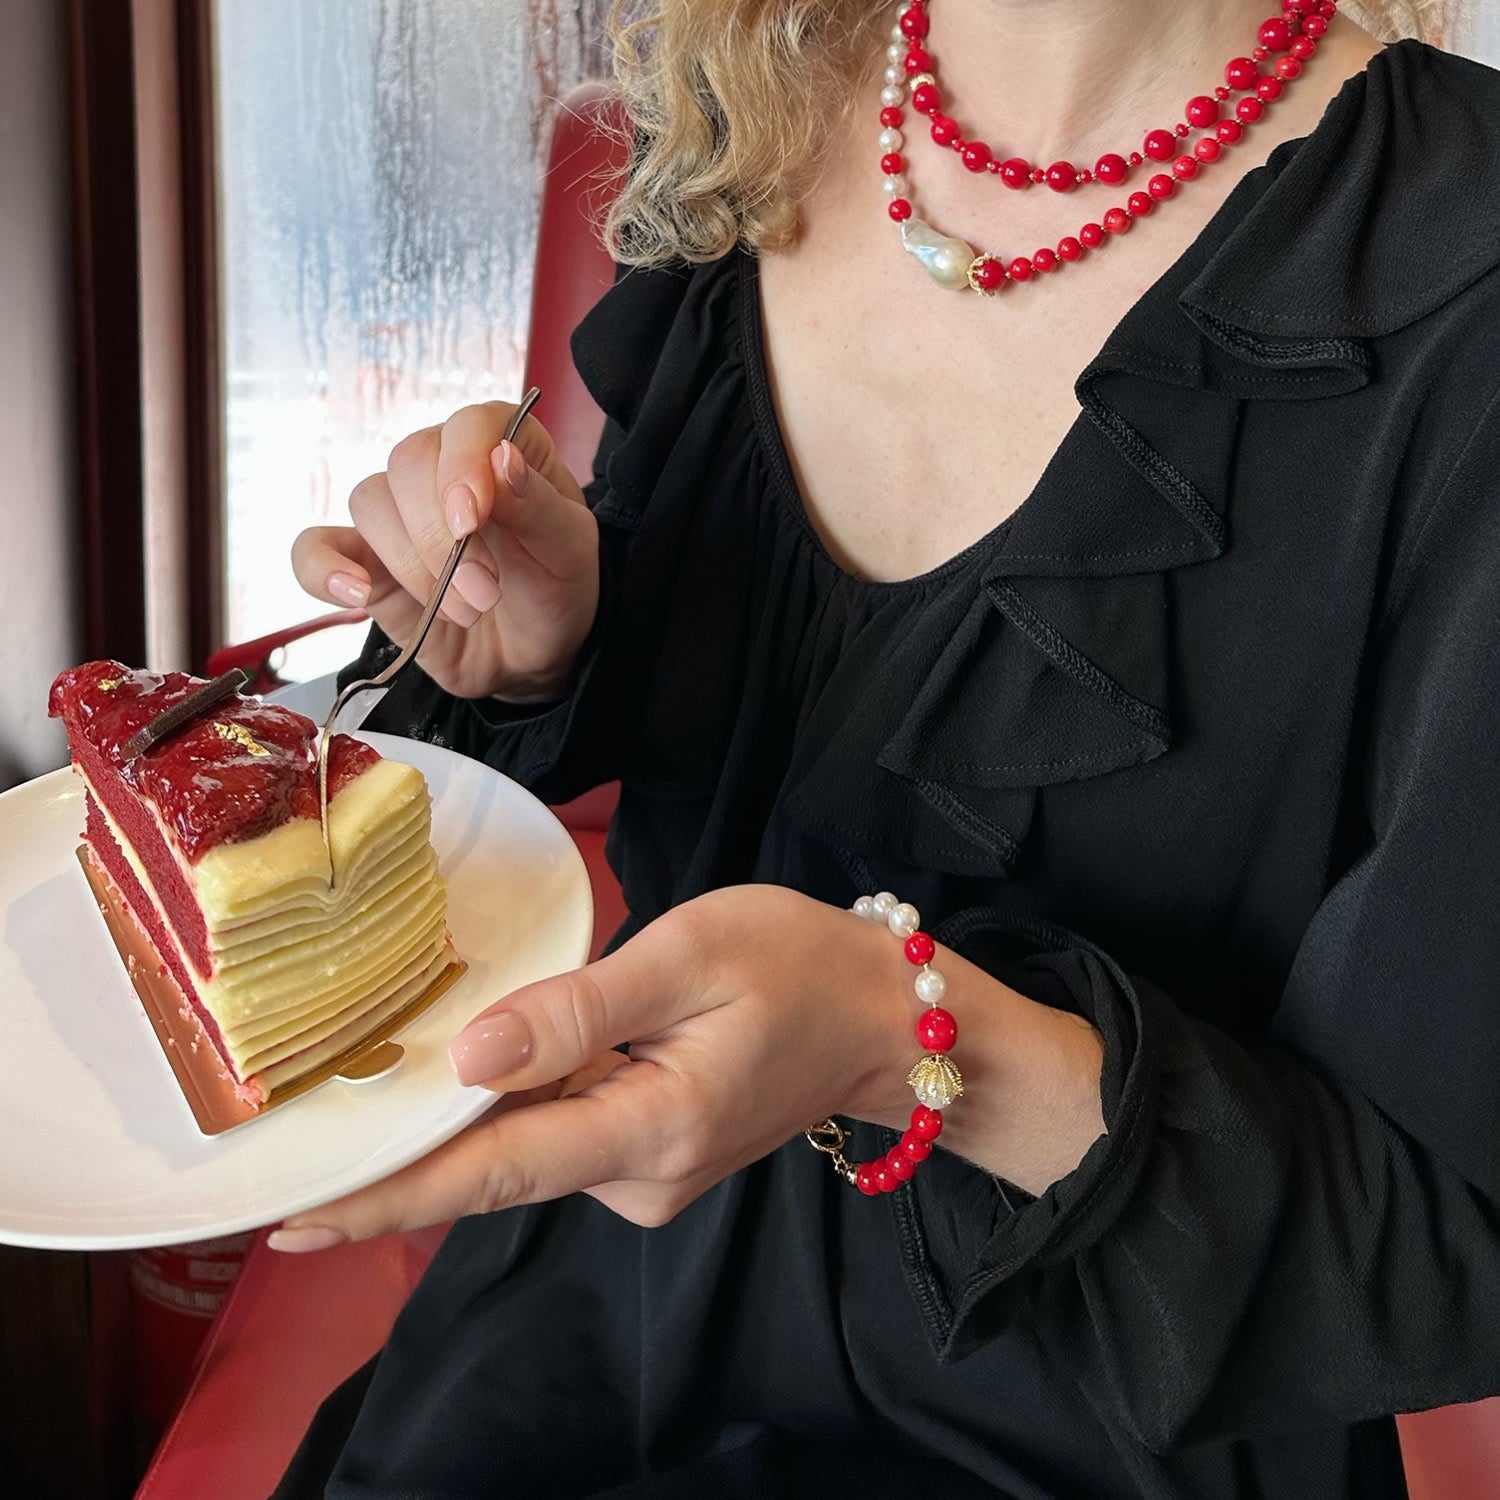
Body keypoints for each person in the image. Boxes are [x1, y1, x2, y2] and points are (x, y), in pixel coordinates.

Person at [274, 1, 1500, 1495]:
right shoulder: (751, 108)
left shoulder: (1469, 265)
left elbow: (1447, 1247)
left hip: (1109, 1431)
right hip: (588, 1336)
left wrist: (905, 1034)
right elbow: (731, 722)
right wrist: (543, 643)